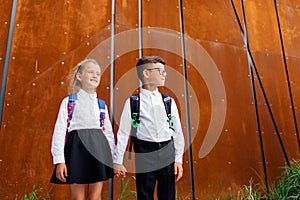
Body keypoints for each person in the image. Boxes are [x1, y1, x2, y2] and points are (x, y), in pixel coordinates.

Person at [114, 56, 185, 200]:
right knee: (145, 194)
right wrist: (117, 161)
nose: (164, 74)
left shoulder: (168, 101)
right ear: (146, 73)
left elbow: (177, 132)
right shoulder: (134, 102)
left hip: (167, 152)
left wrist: (178, 159)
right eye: (160, 71)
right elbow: (123, 133)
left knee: (168, 195)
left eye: (164, 72)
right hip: (145, 153)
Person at [50, 58, 115, 200]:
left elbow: (108, 134)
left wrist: (113, 159)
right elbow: (60, 131)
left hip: (99, 151)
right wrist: (59, 160)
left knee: (94, 196)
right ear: (79, 76)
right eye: (90, 72)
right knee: (78, 197)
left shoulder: (101, 105)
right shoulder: (69, 102)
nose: (95, 76)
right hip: (76, 150)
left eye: (98, 73)